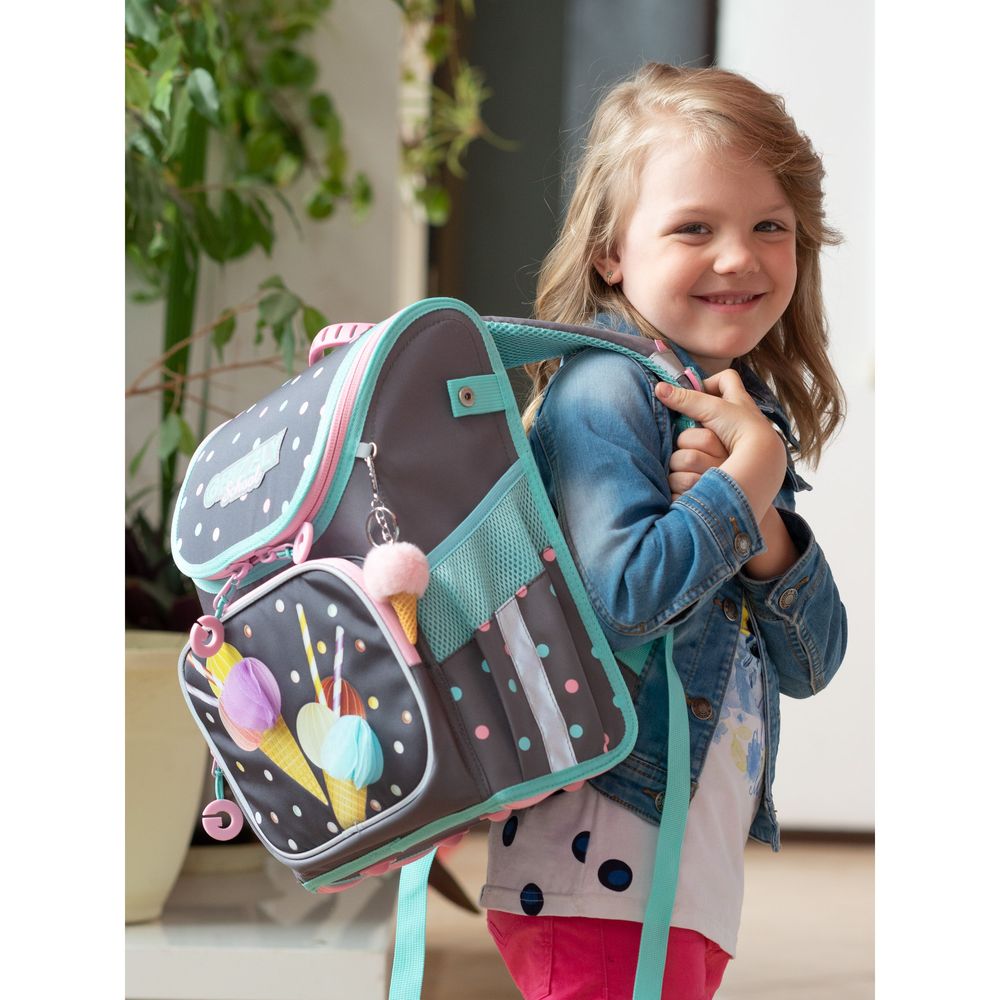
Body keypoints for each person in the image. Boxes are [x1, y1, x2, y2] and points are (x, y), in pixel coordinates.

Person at [479, 63, 849, 999]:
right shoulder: (606, 389)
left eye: (770, 226)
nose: (738, 258)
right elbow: (627, 603)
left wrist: (754, 507)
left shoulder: (738, 411)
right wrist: (746, 481)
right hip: (602, 867)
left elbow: (814, 660)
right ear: (611, 250)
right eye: (695, 227)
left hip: (674, 870)